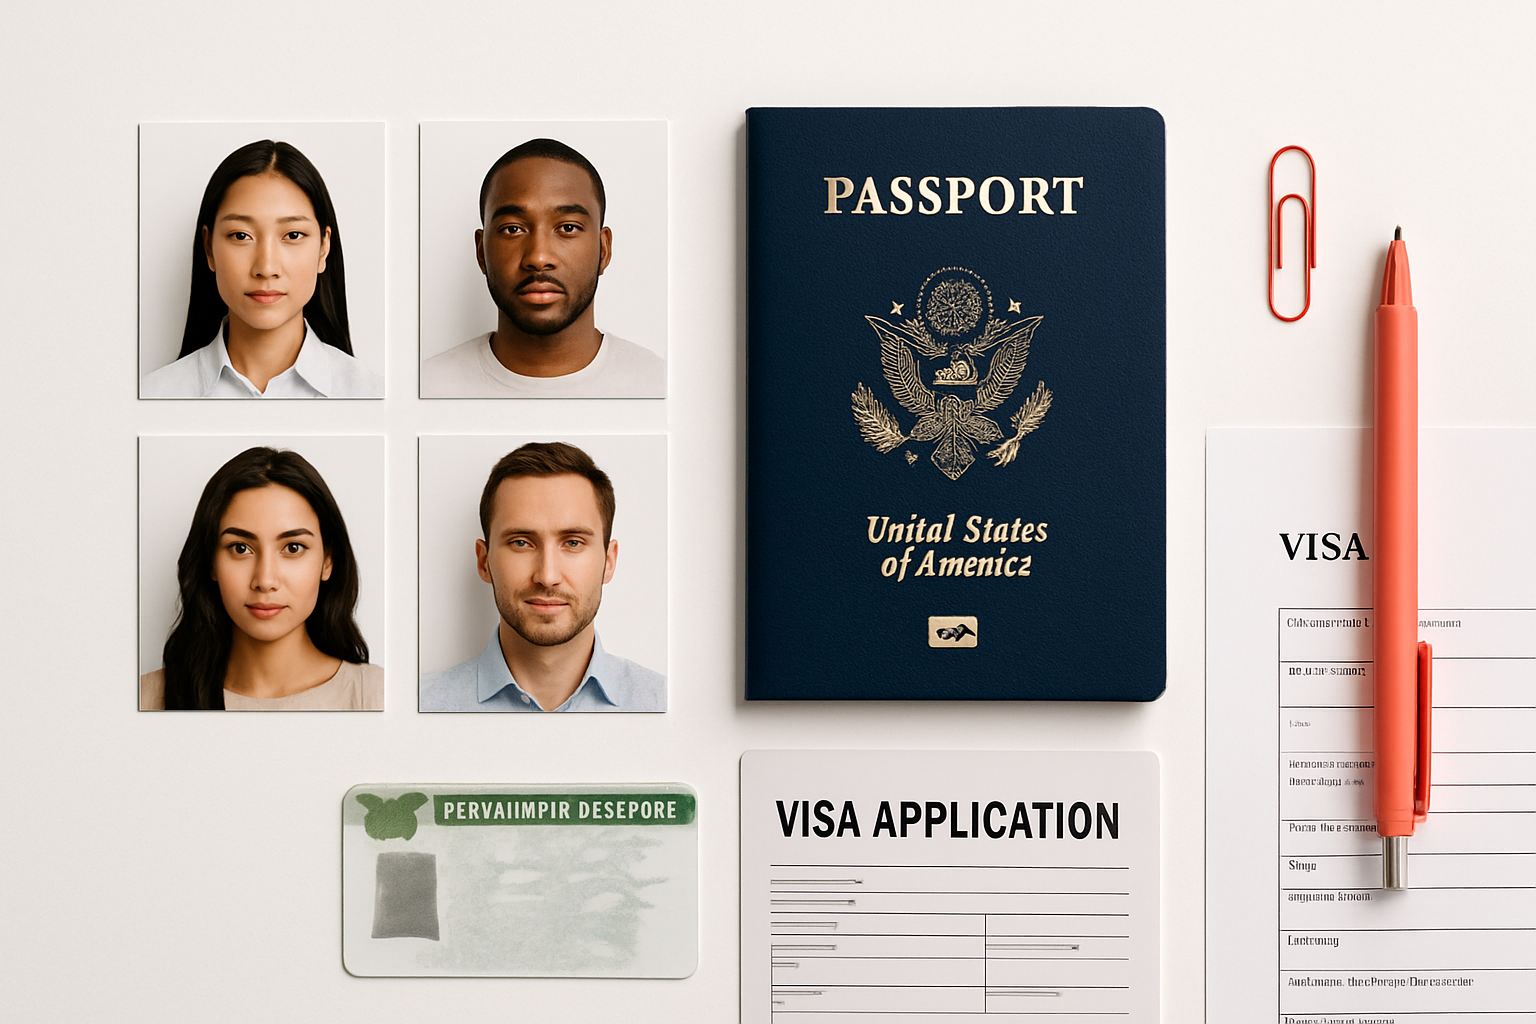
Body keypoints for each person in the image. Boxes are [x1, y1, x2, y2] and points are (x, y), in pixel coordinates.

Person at [419, 442, 665, 712]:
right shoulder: (419, 705)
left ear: (608, 562)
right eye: (521, 543)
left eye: (572, 543)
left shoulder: (666, 705)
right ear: (484, 561)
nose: (547, 577)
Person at [140, 447, 383, 710]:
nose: (265, 581)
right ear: (210, 563)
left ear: (328, 562)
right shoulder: (146, 698)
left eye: (293, 548)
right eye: (240, 548)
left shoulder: (377, 695)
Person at [420, 138, 665, 398]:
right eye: (513, 229)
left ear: (603, 250)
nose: (538, 257)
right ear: (481, 251)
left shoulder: (659, 383)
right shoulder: (427, 384)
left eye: (568, 227)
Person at [141, 140, 384, 399]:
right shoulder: (153, 394)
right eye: (241, 236)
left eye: (292, 235)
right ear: (209, 248)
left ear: (324, 248)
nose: (266, 268)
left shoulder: (372, 394)